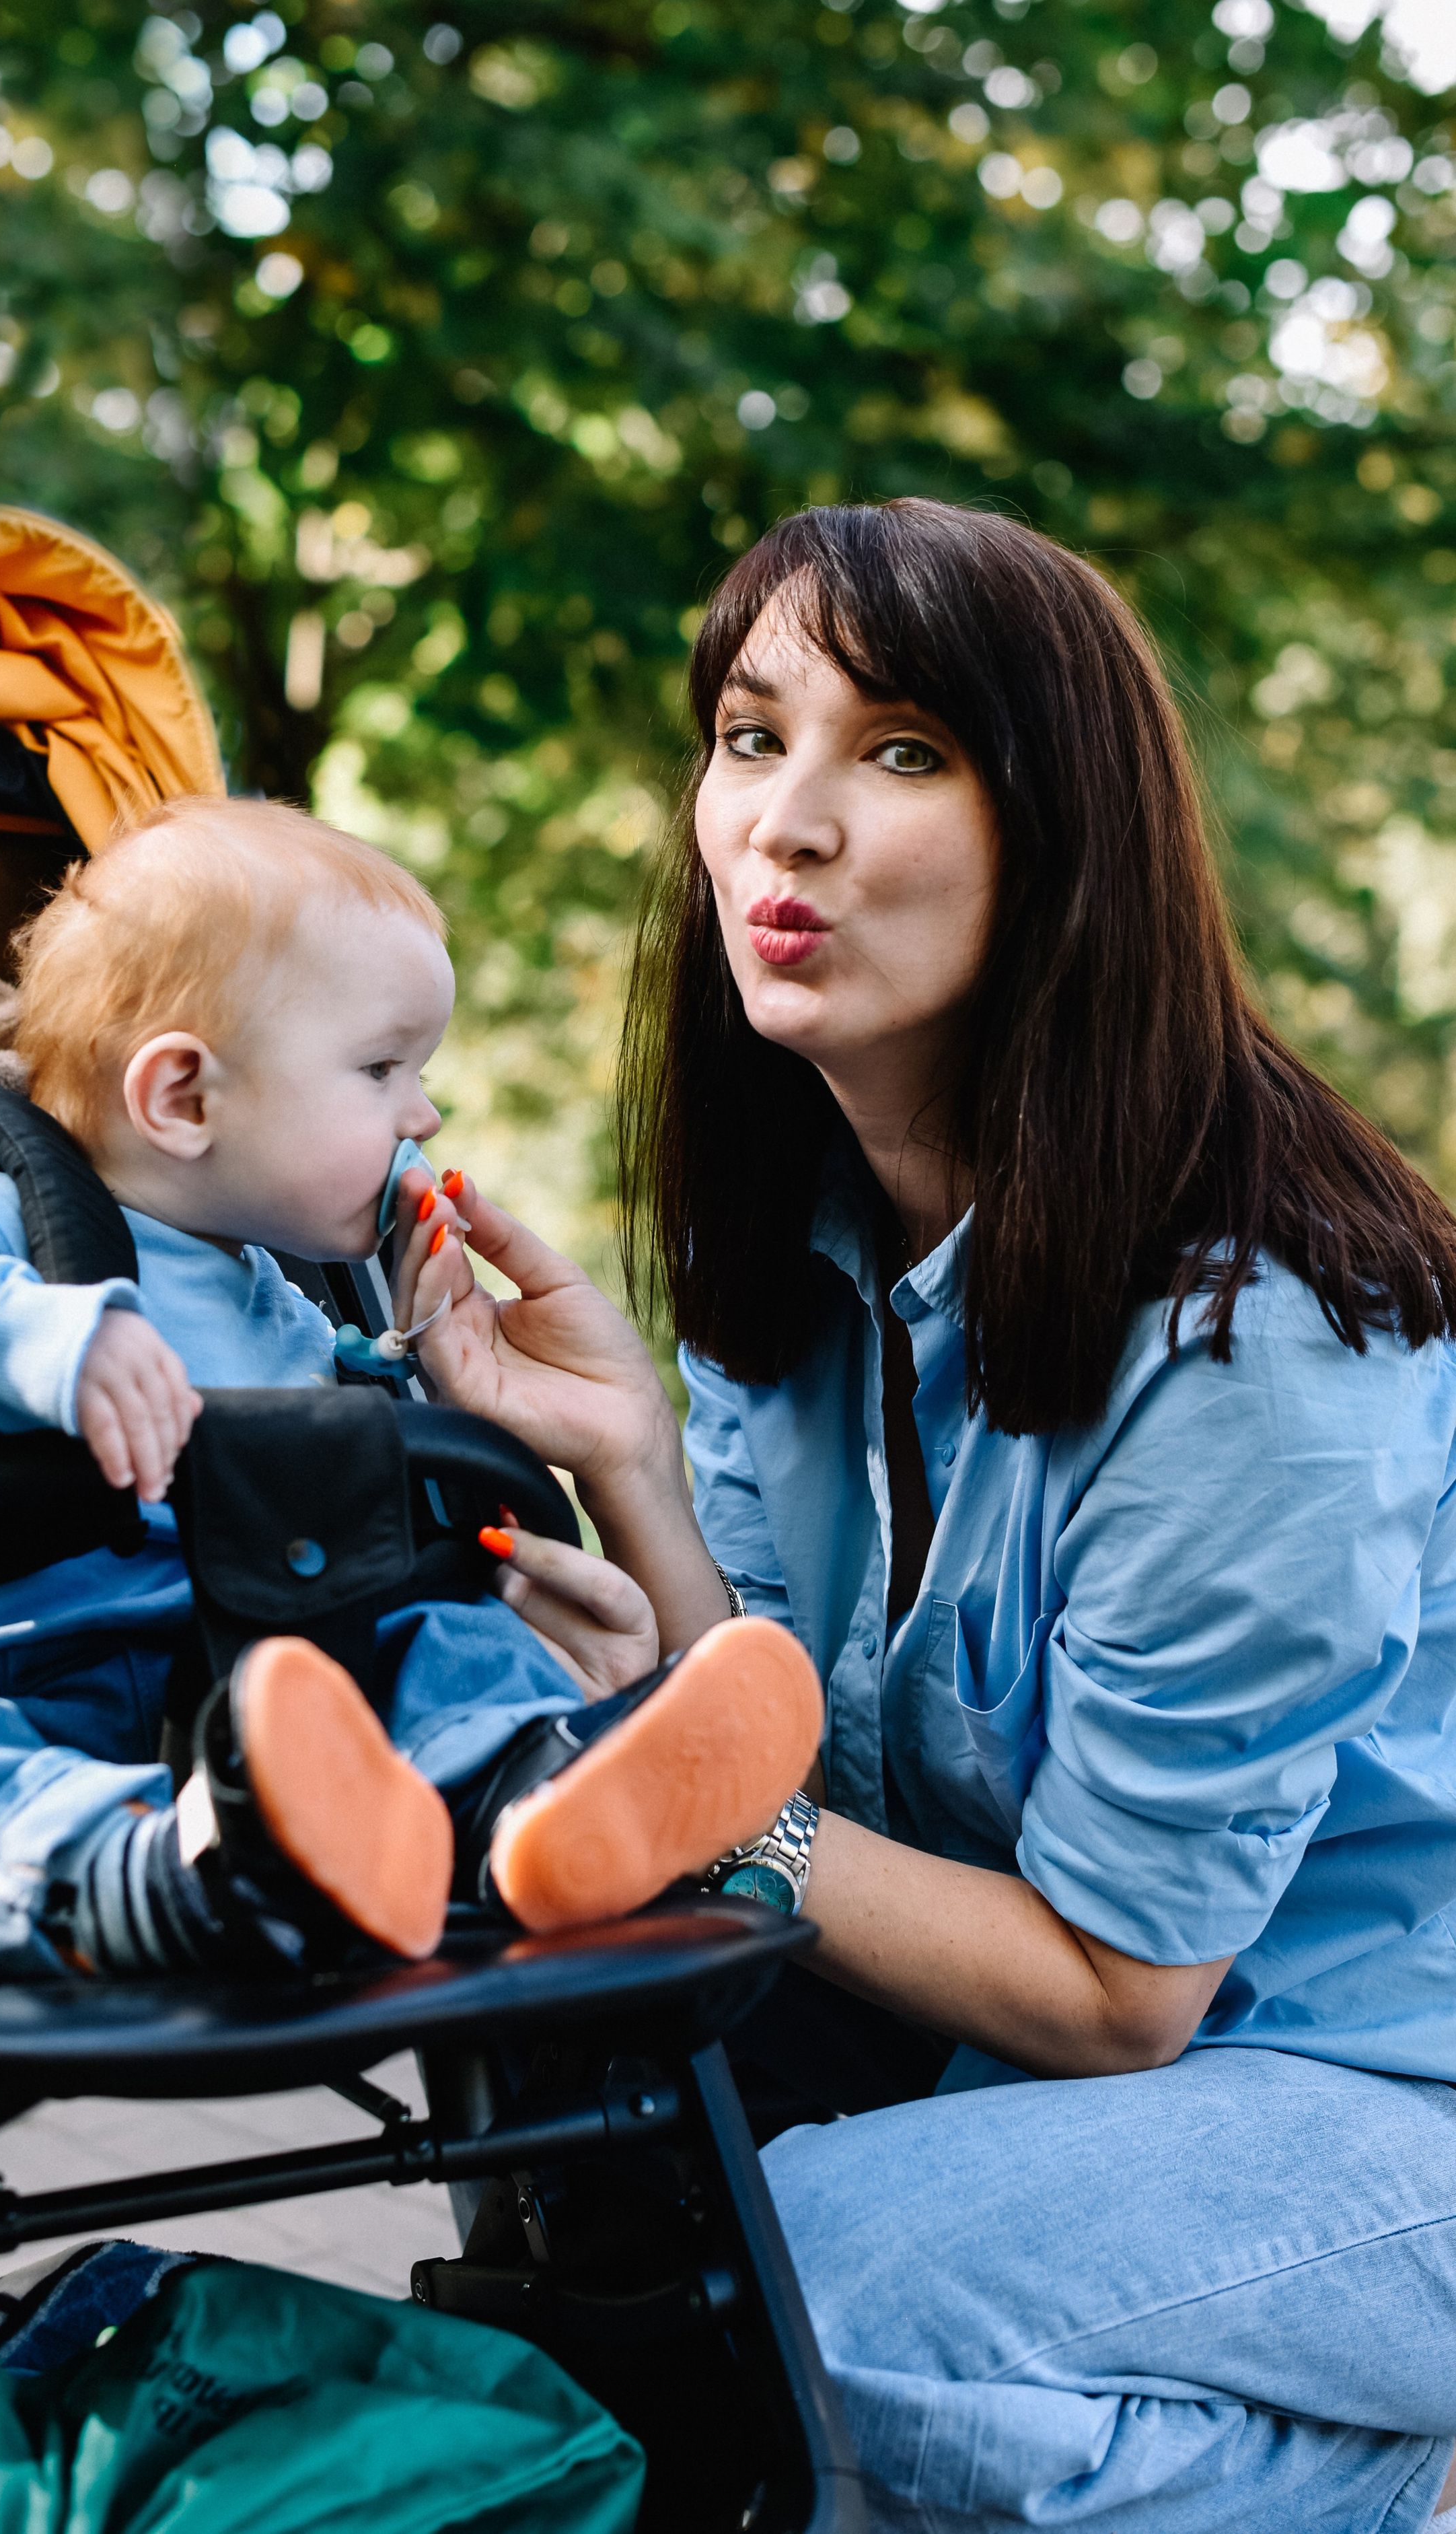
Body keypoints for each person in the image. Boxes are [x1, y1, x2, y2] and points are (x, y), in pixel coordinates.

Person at [394, 501, 1456, 2532]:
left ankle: (1376, 2474)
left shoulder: (1262, 1326)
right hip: (1082, 2074)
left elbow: (1109, 1988)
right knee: (602, 2191)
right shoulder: (804, 1235)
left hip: (1375, 2088)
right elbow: (780, 1716)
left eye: (900, 750)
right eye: (749, 733)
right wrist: (620, 1446)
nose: (784, 822)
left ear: (1062, 839)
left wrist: (707, 1804)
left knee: (812, 2303)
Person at [0, 798, 820, 1979]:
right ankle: (136, 1872)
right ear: (184, 1099)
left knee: (442, 1640)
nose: (425, 1115)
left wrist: (429, 1423)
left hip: (251, 1690)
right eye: (381, 1068)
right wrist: (27, 1345)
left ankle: (541, 1786)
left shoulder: (294, 1308)